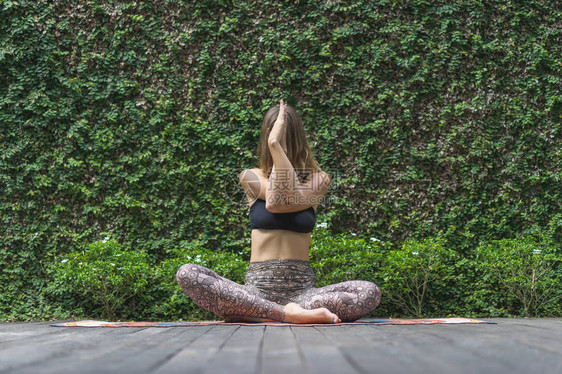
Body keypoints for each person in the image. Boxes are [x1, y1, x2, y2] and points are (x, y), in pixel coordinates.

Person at [176, 99, 381, 323]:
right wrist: (275, 144)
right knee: (188, 273)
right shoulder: (250, 176)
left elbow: (283, 201)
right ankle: (285, 314)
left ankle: (261, 313)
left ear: (296, 138)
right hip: (256, 291)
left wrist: (275, 144)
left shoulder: (319, 180)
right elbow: (275, 200)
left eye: (284, 138)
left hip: (303, 295)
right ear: (267, 138)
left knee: (368, 292)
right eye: (274, 138)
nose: (279, 143)